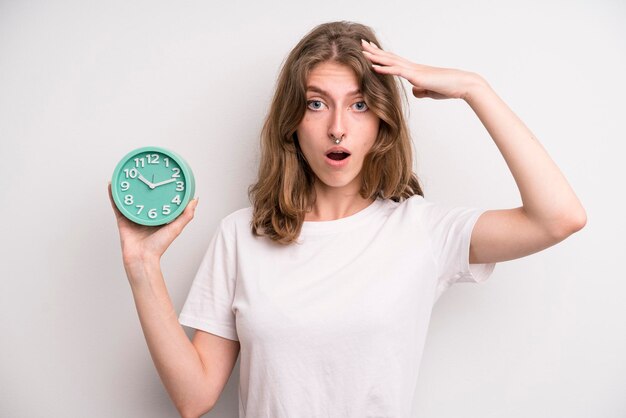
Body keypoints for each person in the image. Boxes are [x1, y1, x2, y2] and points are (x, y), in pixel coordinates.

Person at [108, 21, 586, 418]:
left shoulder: (422, 231)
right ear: (292, 122)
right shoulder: (241, 234)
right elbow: (194, 398)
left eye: (359, 104)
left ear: (381, 120)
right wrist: (142, 267)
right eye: (317, 103)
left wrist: (474, 88)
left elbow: (558, 217)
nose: (338, 126)